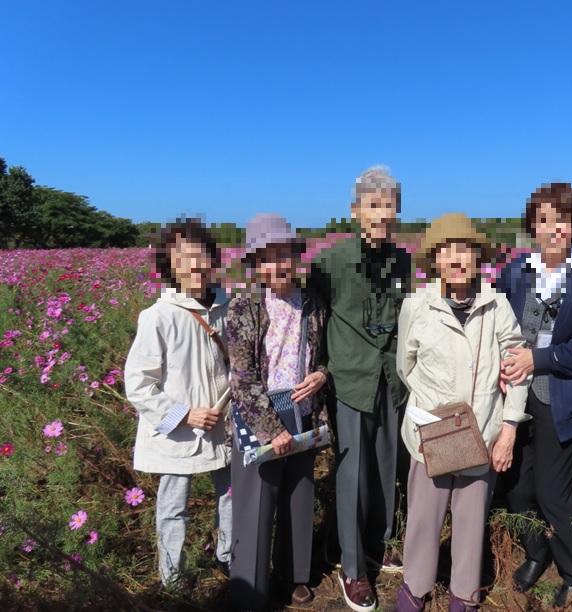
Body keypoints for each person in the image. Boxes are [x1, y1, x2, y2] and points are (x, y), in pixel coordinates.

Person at [395, 214, 530, 612]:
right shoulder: (418, 306)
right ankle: (413, 592)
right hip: (432, 436)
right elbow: (407, 367)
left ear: (477, 258)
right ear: (435, 260)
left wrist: (508, 430)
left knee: (471, 527)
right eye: (446, 251)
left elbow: (516, 371)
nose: (457, 259)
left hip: (482, 434)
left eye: (465, 250)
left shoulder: (497, 307)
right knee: (423, 520)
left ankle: (463, 597)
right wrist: (432, 416)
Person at [496, 183, 572, 607]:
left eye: (561, 220)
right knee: (515, 487)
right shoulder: (516, 271)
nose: (552, 229)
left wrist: (538, 359)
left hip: (559, 398)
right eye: (543, 219)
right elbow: (492, 322)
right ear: (533, 225)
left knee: (552, 491)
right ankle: (536, 551)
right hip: (513, 397)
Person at [310, 165, 411, 612]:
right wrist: (320, 368)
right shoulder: (329, 262)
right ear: (356, 210)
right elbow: (309, 315)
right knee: (351, 474)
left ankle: (377, 542)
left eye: (388, 206)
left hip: (390, 378)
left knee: (386, 465)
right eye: (373, 206)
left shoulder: (402, 259)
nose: (381, 214)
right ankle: (352, 567)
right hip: (350, 379)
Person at [226, 213, 330, 610]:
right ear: (254, 265)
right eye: (268, 258)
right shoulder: (243, 307)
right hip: (261, 414)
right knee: (255, 506)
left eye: (285, 254)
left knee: (299, 497)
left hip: (302, 410)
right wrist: (270, 427)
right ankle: (249, 590)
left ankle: (294, 576)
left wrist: (321, 374)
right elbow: (243, 377)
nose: (279, 265)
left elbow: (322, 359)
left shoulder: (313, 303)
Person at [124, 218, 232, 587]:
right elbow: (139, 384)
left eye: (201, 255)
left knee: (230, 496)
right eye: (183, 258)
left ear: (213, 259)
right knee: (174, 506)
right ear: (169, 267)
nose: (195, 266)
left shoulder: (227, 307)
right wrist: (185, 414)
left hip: (223, 423)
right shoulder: (158, 317)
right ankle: (172, 578)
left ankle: (228, 558)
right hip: (178, 433)